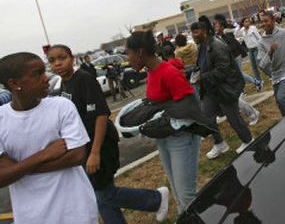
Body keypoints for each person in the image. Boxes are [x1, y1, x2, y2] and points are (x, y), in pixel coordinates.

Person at [47, 45, 169, 223]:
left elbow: (102, 114)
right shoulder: (64, 83)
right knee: (100, 196)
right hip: (85, 145)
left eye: (62, 58)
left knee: (104, 195)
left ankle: (155, 199)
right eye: (52, 60)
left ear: (72, 58)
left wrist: (95, 153)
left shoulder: (83, 79)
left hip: (100, 144)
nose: (57, 63)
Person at [0, 52, 98, 224]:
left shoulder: (62, 106)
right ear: (14, 84)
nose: (46, 78)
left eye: (44, 72)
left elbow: (77, 156)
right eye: (37, 74)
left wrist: (17, 169)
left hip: (75, 211)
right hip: (31, 217)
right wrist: (44, 154)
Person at [125, 31, 201, 215]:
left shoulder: (168, 72)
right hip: (164, 138)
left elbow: (192, 107)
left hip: (181, 139)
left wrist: (162, 117)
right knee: (177, 191)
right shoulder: (152, 73)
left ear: (140, 52)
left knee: (187, 195)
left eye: (129, 53)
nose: (128, 59)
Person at [191, 21, 254, 159]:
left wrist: (202, 77)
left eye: (196, 32)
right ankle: (219, 143)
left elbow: (223, 70)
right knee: (207, 118)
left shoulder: (217, 46)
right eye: (192, 32)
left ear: (205, 31)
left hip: (224, 88)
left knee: (233, 118)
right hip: (210, 89)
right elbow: (203, 65)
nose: (193, 35)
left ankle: (248, 140)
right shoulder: (202, 46)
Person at [212, 14, 260, 125]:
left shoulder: (226, 37)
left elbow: (231, 52)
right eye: (214, 24)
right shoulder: (217, 38)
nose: (214, 26)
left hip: (231, 67)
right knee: (232, 96)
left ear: (222, 26)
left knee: (234, 94)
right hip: (226, 70)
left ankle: (253, 112)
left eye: (216, 24)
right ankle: (249, 112)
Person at [239, 17, 264, 91]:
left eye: (248, 21)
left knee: (259, 64)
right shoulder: (242, 30)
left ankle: (271, 75)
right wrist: (239, 26)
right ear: (243, 23)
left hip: (256, 48)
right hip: (249, 49)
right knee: (253, 67)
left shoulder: (253, 28)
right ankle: (259, 81)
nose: (247, 23)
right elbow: (236, 33)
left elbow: (259, 38)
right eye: (246, 22)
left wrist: (261, 47)